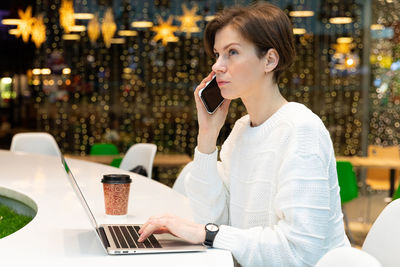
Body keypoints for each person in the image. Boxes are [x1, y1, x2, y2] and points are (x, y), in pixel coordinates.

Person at [138, 2, 350, 266]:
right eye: (217, 54)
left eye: (232, 53)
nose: (217, 66)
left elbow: (301, 251)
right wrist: (207, 135)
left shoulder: (301, 129)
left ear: (270, 60)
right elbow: (211, 220)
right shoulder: (240, 129)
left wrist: (207, 233)